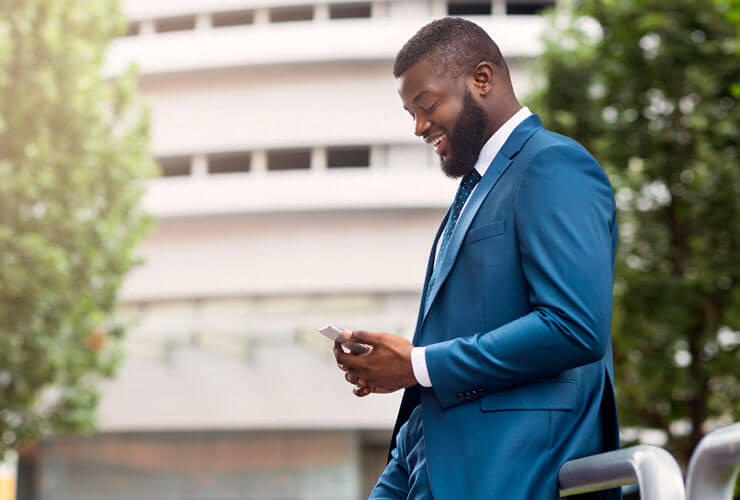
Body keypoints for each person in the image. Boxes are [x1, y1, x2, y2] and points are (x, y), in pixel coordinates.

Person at [333, 17, 620, 500]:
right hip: (423, 455)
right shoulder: (473, 192)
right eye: (411, 114)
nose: (420, 127)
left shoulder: (552, 163)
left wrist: (419, 365)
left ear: (481, 79)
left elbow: (574, 325)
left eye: (427, 106)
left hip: (506, 468)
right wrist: (399, 370)